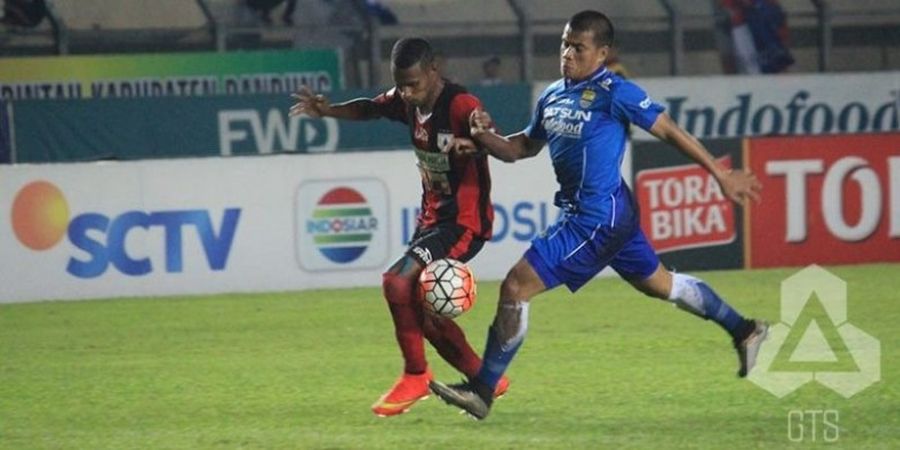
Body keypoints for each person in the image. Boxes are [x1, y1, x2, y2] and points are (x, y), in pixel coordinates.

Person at [429, 10, 768, 420]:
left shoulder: (615, 91)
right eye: (564, 44)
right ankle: (745, 329)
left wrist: (720, 172)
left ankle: (482, 391)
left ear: (602, 53)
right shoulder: (553, 94)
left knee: (516, 286)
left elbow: (670, 130)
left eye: (578, 47)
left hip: (597, 218)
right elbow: (521, 148)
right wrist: (481, 140)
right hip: (605, 213)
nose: (567, 54)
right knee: (662, 284)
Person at [290, 37, 509, 417]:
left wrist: (477, 140)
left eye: (415, 84)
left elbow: (485, 131)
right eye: (401, 85)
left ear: (433, 72)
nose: (407, 93)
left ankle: (415, 375)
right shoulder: (407, 102)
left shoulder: (460, 104)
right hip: (431, 221)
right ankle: (485, 377)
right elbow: (369, 108)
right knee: (420, 312)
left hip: (462, 222)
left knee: (397, 281)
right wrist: (328, 112)